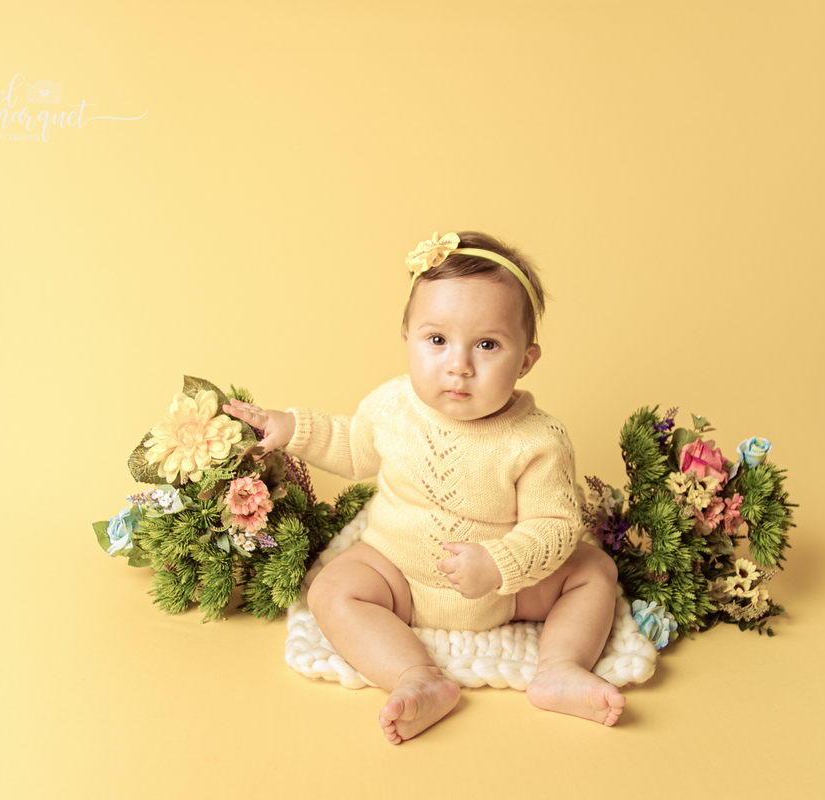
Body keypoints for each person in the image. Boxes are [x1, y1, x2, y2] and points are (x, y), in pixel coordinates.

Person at [222, 231, 623, 744]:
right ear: (407, 337)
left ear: (526, 360)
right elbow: (352, 446)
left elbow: (555, 524)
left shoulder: (538, 439)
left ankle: (560, 668)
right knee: (331, 589)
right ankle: (416, 676)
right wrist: (293, 428)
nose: (459, 365)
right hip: (398, 573)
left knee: (594, 572)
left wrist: (499, 563)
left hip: (508, 591)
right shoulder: (391, 406)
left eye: (487, 344)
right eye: (437, 340)